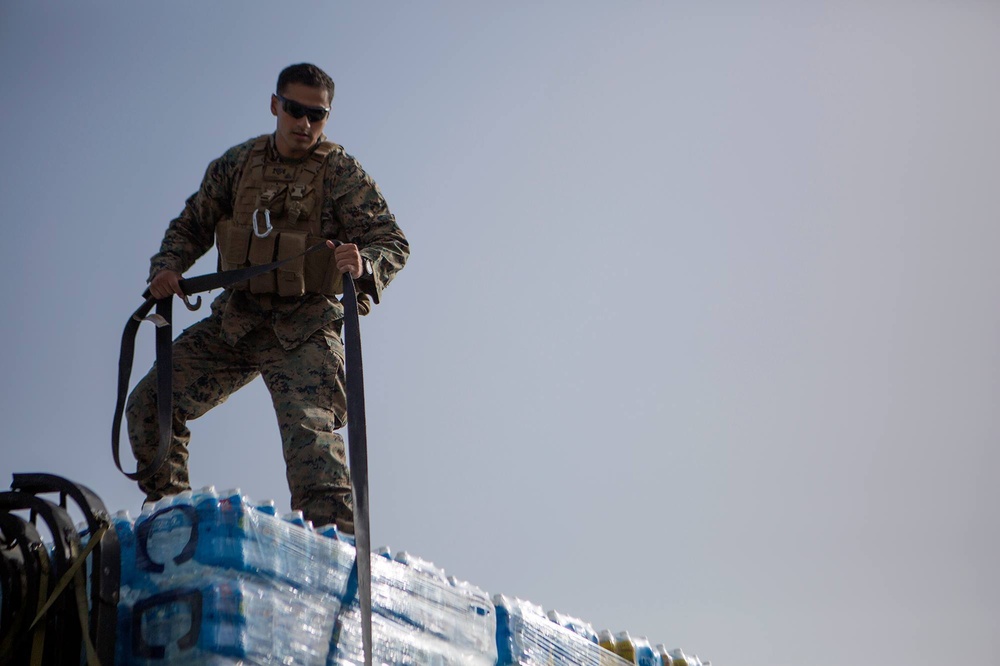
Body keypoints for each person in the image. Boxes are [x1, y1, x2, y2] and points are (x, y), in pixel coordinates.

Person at [126, 63, 408, 532]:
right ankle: (171, 523)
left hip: (304, 330)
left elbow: (391, 240)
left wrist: (364, 264)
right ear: (275, 105)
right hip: (237, 323)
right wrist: (167, 269)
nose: (305, 124)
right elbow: (192, 223)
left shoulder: (339, 172)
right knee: (150, 407)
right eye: (295, 110)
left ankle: (334, 557)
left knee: (314, 453)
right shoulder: (238, 165)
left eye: (317, 115)